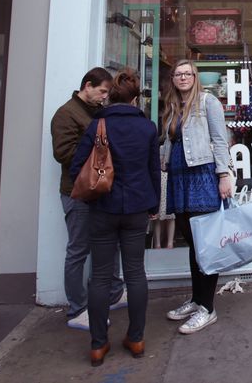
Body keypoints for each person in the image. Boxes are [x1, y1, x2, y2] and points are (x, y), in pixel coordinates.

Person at [69, 68, 160, 367]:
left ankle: (97, 345)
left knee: (100, 277)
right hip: (136, 208)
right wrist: (153, 203)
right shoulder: (147, 128)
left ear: (112, 96)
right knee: (135, 273)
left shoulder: (98, 124)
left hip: (103, 209)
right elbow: (152, 171)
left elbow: (76, 169)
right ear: (134, 99)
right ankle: (136, 338)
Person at [51, 67, 126, 330]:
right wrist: (99, 152)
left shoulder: (94, 112)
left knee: (110, 242)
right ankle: (77, 308)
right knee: (78, 249)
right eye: (102, 91)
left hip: (100, 189)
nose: (105, 97)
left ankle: (115, 293)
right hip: (78, 191)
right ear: (87, 86)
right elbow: (63, 153)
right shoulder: (66, 114)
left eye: (107, 93)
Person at [162, 60, 234, 334]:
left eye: (187, 73)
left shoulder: (207, 102)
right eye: (178, 74)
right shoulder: (171, 105)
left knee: (205, 245)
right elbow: (169, 141)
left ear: (195, 77)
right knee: (192, 243)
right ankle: (196, 299)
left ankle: (208, 308)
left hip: (202, 176)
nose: (183, 78)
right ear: (173, 78)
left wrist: (223, 174)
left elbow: (219, 139)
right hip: (179, 178)